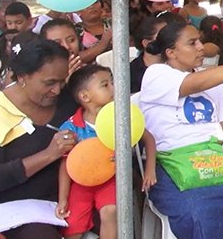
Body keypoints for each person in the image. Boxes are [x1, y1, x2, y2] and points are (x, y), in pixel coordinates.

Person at [139, 22, 223, 239]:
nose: (201, 47)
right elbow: (194, 84)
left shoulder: (211, 78)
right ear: (171, 52)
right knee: (202, 211)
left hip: (216, 156)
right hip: (171, 161)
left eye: (200, 40)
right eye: (192, 43)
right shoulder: (156, 74)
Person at [0, 39, 77, 239]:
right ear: (23, 77)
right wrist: (49, 155)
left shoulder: (68, 100)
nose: (57, 90)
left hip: (73, 195)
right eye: (49, 83)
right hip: (16, 209)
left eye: (62, 81)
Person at [55, 65, 157, 239]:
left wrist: (150, 169)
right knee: (73, 224)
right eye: (105, 85)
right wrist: (62, 198)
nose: (114, 88)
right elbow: (66, 165)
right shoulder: (71, 127)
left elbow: (148, 139)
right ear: (85, 96)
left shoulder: (122, 117)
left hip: (111, 178)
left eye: (113, 82)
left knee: (110, 212)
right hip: (80, 183)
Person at [128, 15, 170, 93]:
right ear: (146, 43)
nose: (169, 39)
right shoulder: (131, 73)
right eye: (162, 36)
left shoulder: (177, 63)